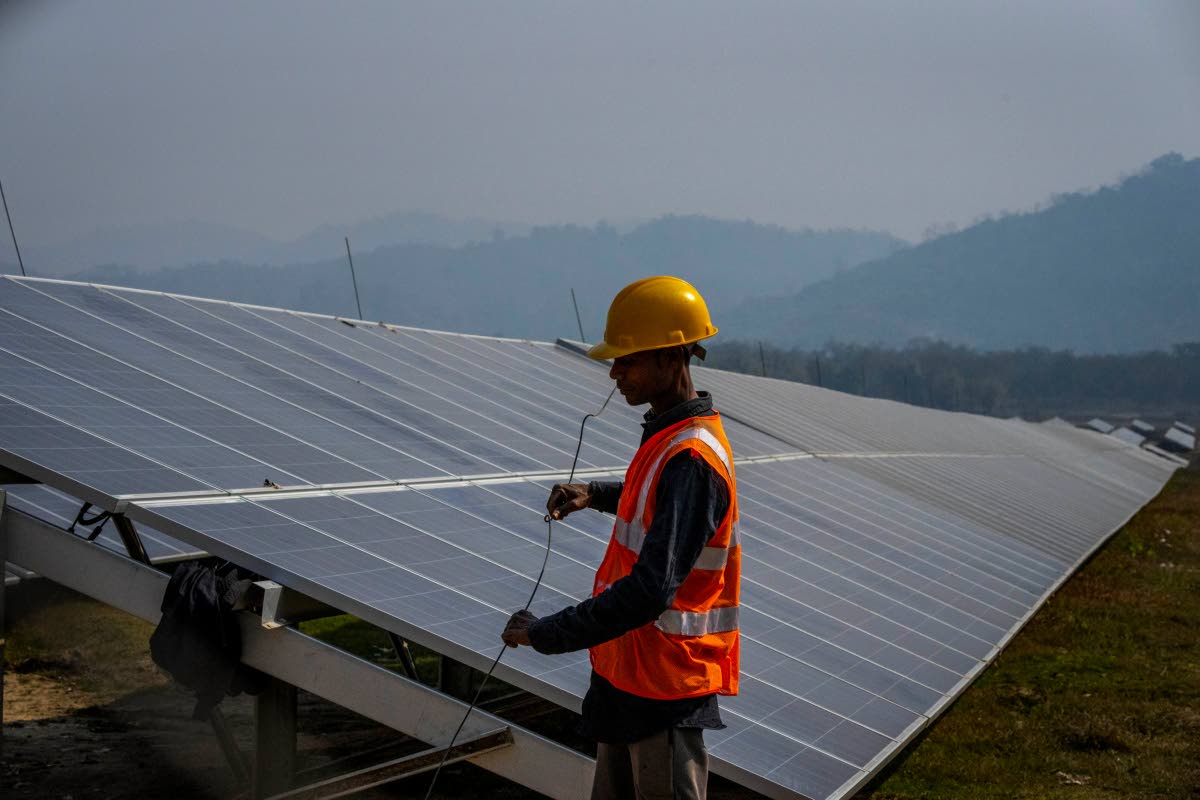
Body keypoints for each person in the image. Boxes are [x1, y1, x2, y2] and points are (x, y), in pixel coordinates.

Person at [501, 276, 741, 800]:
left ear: (671, 358)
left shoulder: (692, 459)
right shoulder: (668, 435)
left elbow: (648, 592)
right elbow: (656, 502)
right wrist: (597, 493)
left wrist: (544, 634)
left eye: (627, 361)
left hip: (662, 692)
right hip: (628, 683)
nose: (614, 375)